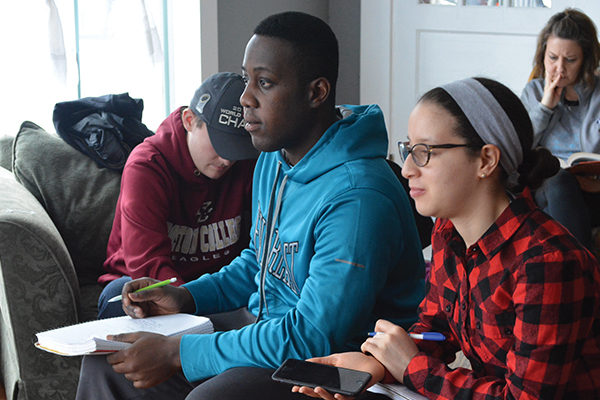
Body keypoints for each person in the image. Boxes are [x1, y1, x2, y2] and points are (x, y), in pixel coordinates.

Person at [75, 11, 426, 400]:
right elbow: (258, 263)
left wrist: (179, 352)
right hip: (269, 330)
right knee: (110, 362)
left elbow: (314, 334)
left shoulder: (358, 197)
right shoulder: (273, 161)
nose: (245, 98)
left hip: (338, 365)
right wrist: (188, 296)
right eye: (246, 80)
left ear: (317, 93)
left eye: (265, 83)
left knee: (211, 397)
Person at [294, 77, 600, 400]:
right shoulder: (448, 230)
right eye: (408, 150)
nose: (408, 169)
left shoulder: (547, 264)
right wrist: (378, 363)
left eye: (424, 152)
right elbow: (436, 329)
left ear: (486, 160)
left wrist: (411, 367)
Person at [96, 72, 259, 318]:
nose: (227, 159)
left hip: (214, 289)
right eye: (220, 144)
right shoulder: (147, 167)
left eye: (236, 147)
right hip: (149, 285)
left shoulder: (245, 163)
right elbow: (146, 264)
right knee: (120, 296)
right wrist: (186, 307)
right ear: (189, 120)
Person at [520, 8, 600, 250]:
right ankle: (582, 267)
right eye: (553, 58)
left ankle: (574, 269)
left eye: (570, 60)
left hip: (595, 189)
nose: (559, 68)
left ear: (586, 60)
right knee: (557, 180)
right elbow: (519, 147)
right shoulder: (533, 92)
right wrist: (545, 107)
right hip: (550, 188)